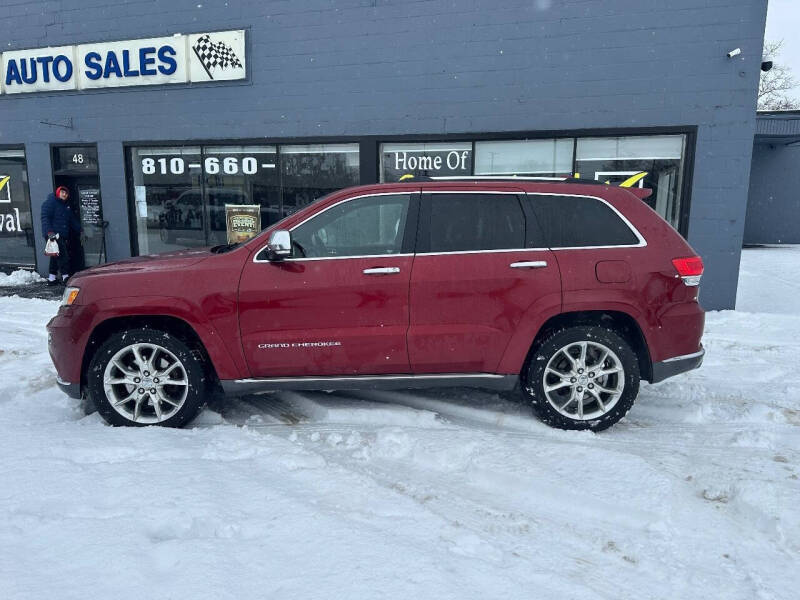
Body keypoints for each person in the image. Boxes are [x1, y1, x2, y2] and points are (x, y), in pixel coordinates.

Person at [41, 186, 82, 285]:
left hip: (61, 235)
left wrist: (80, 229)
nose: (64, 194)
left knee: (55, 255)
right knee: (63, 255)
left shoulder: (65, 206)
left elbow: (71, 220)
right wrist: (50, 232)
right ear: (58, 192)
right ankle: (65, 277)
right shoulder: (50, 203)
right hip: (53, 234)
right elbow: (45, 218)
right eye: (62, 192)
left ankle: (52, 279)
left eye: (66, 193)